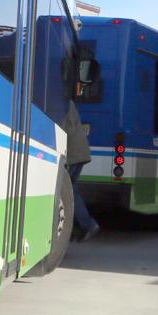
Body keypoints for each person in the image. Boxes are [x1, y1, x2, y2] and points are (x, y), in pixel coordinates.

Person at [63, 100, 99, 242]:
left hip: (73, 153)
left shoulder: (60, 100)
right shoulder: (65, 99)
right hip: (78, 151)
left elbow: (65, 127)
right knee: (71, 190)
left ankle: (87, 224)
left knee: (68, 191)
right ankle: (80, 226)